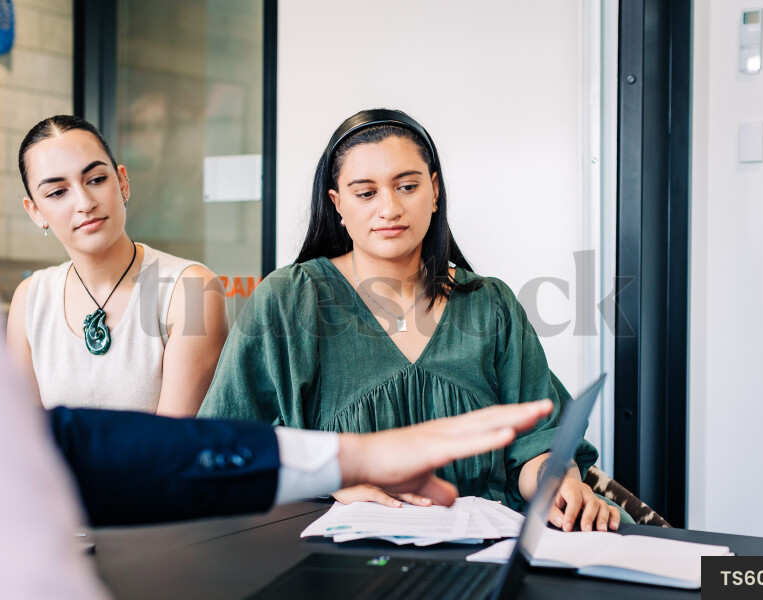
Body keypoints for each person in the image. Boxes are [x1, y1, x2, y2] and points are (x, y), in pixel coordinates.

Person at [0, 249, 552, 599]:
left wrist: (350, 456)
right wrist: (341, 470)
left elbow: (66, 447)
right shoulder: (292, 298)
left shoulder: (490, 303)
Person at [198, 109, 626, 532]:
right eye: (365, 193)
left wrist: (560, 483)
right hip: (335, 559)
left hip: (484, 548)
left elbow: (537, 446)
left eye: (407, 186)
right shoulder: (289, 301)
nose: (390, 208)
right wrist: (327, 478)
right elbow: (220, 449)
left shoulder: (491, 304)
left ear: (434, 190)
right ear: (337, 205)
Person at [6, 115, 229, 416]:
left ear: (122, 182)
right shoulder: (30, 298)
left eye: (96, 180)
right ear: (35, 211)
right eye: (58, 192)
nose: (84, 203)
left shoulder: (191, 289)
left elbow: (172, 447)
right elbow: (24, 438)